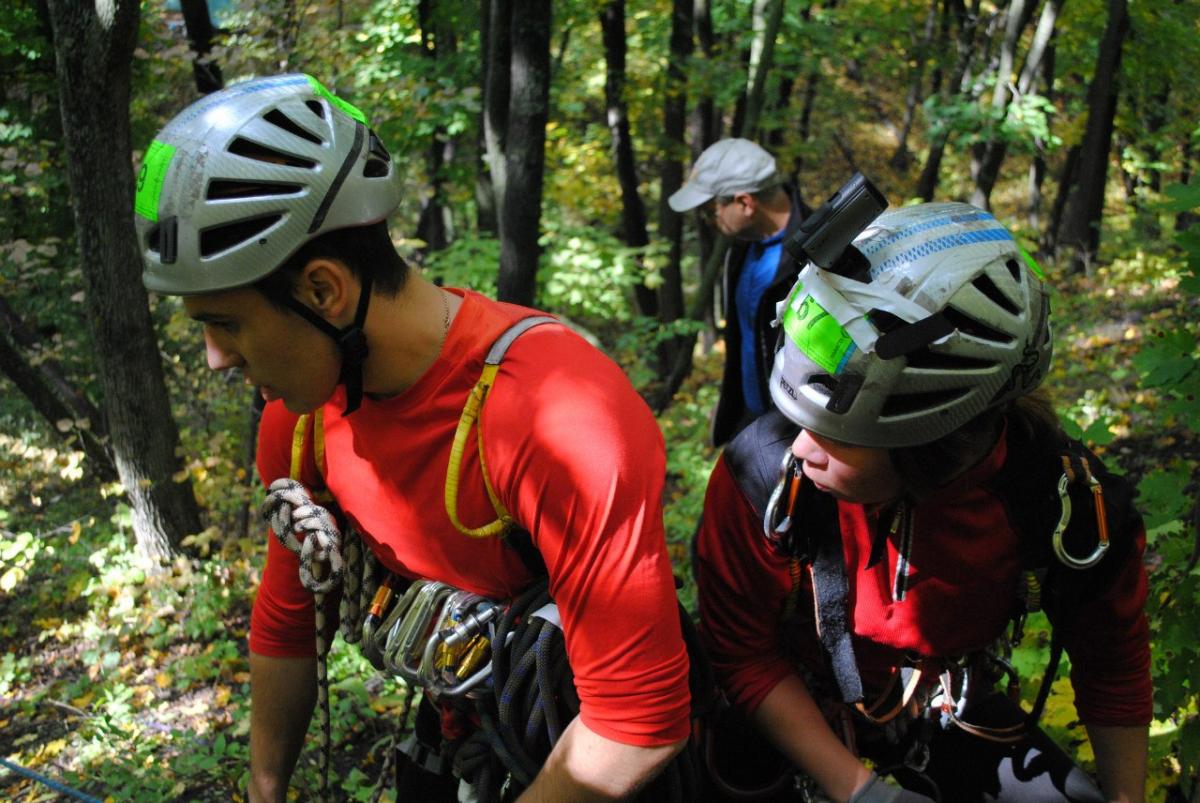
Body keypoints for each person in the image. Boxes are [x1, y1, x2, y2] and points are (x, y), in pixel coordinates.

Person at [134, 74, 691, 802]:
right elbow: (288, 616)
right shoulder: (300, 422)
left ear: (324, 289)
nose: (214, 357)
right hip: (466, 731)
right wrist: (265, 789)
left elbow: (638, 719)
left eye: (225, 322)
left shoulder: (554, 419)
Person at [692, 201, 1151, 802]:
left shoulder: (1061, 502)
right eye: (799, 415)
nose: (803, 447)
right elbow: (743, 655)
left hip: (939, 703)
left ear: (934, 444)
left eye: (840, 435)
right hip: (794, 704)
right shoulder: (765, 480)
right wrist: (860, 792)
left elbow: (1112, 664)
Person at [668, 138, 811, 447]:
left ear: (746, 203)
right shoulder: (741, 247)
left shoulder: (818, 256)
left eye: (711, 210)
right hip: (750, 421)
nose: (710, 220)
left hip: (796, 436)